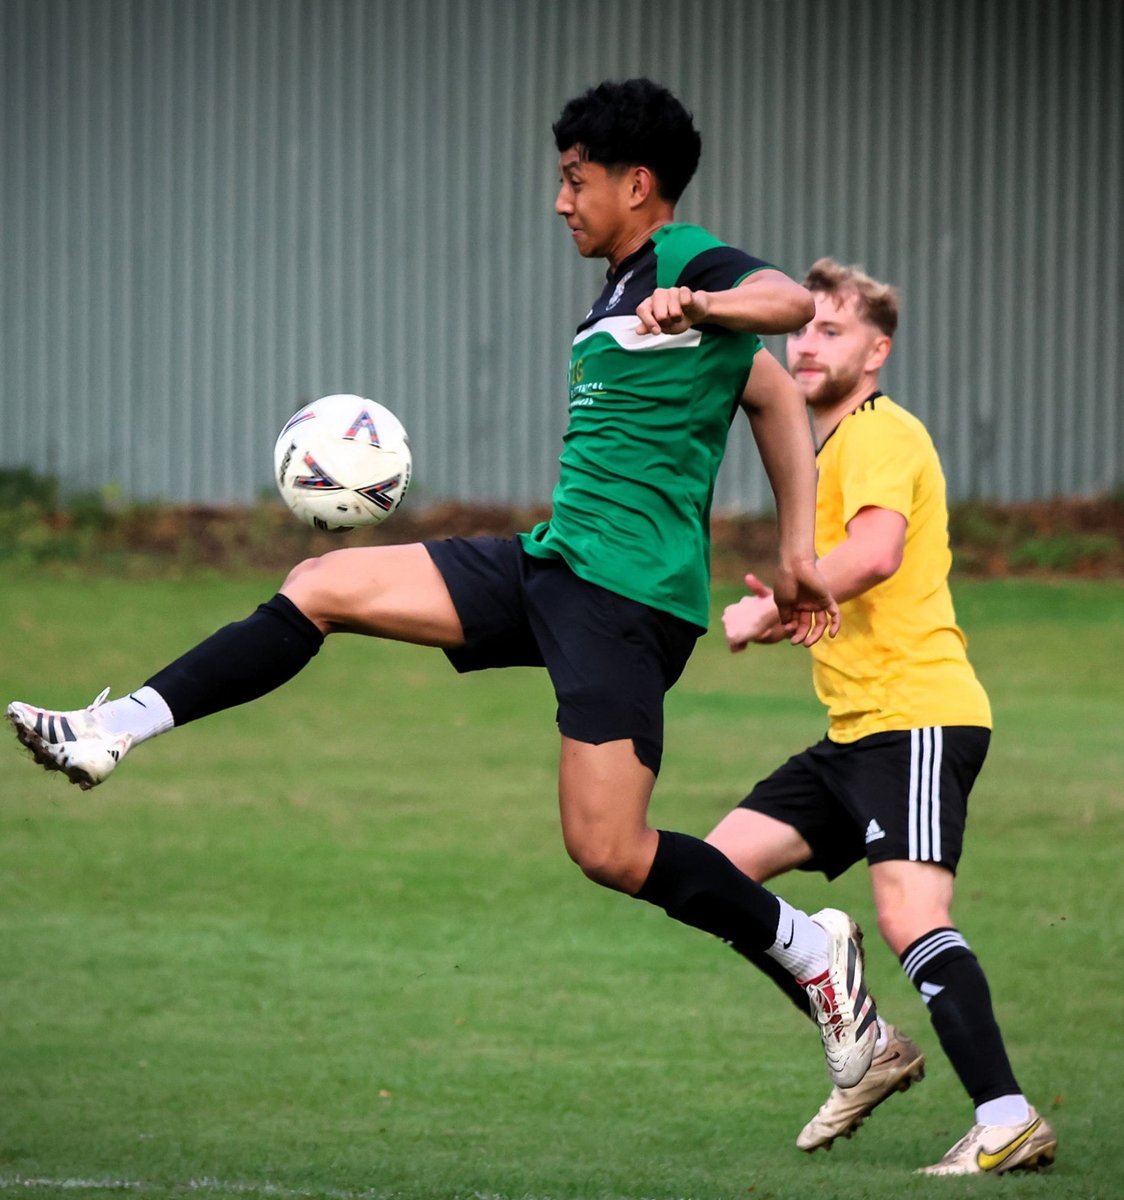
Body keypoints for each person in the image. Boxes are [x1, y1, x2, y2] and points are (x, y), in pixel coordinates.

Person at [8, 81, 880, 1096]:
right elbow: (770, 397)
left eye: (574, 180)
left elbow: (783, 310)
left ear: (635, 183)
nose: (560, 201)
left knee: (606, 848)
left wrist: (703, 301)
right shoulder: (617, 291)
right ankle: (116, 731)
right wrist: (794, 553)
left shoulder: (684, 265)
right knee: (321, 584)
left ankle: (811, 953)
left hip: (627, 601)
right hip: (553, 565)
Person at [706, 258, 1057, 1175]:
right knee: (715, 871)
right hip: (855, 730)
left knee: (908, 912)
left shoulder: (880, 431)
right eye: (802, 328)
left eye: (832, 328)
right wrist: (795, 611)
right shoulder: (818, 447)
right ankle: (867, 1041)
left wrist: (771, 609)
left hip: (918, 714)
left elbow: (873, 553)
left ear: (878, 348)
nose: (807, 342)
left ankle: (1009, 1118)